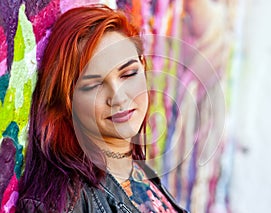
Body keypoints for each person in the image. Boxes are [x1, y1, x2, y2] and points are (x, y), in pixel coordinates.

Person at [16, 4, 187, 213]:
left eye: (128, 74)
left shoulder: (136, 171)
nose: (118, 97)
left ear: (142, 66)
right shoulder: (63, 203)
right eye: (94, 85)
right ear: (67, 100)